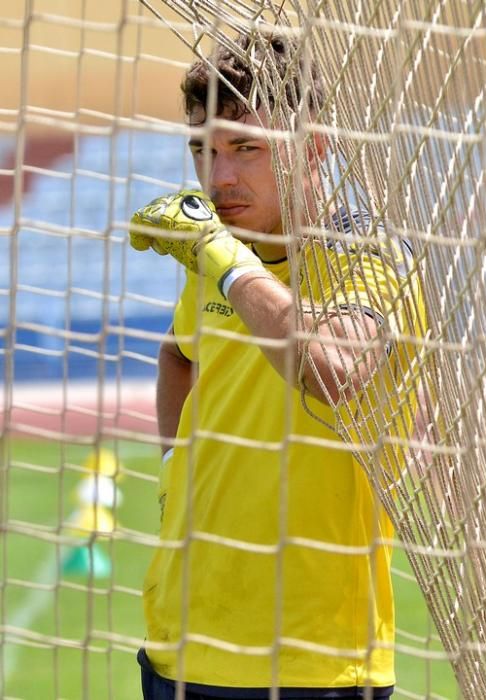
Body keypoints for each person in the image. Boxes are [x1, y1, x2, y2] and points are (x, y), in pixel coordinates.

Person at [129, 30, 425, 700]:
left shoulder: (373, 258)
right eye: (202, 150)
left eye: (246, 148)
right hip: (176, 648)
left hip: (313, 666)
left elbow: (330, 370)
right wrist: (178, 462)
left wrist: (224, 262)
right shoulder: (218, 259)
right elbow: (179, 356)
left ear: (313, 146)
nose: (218, 178)